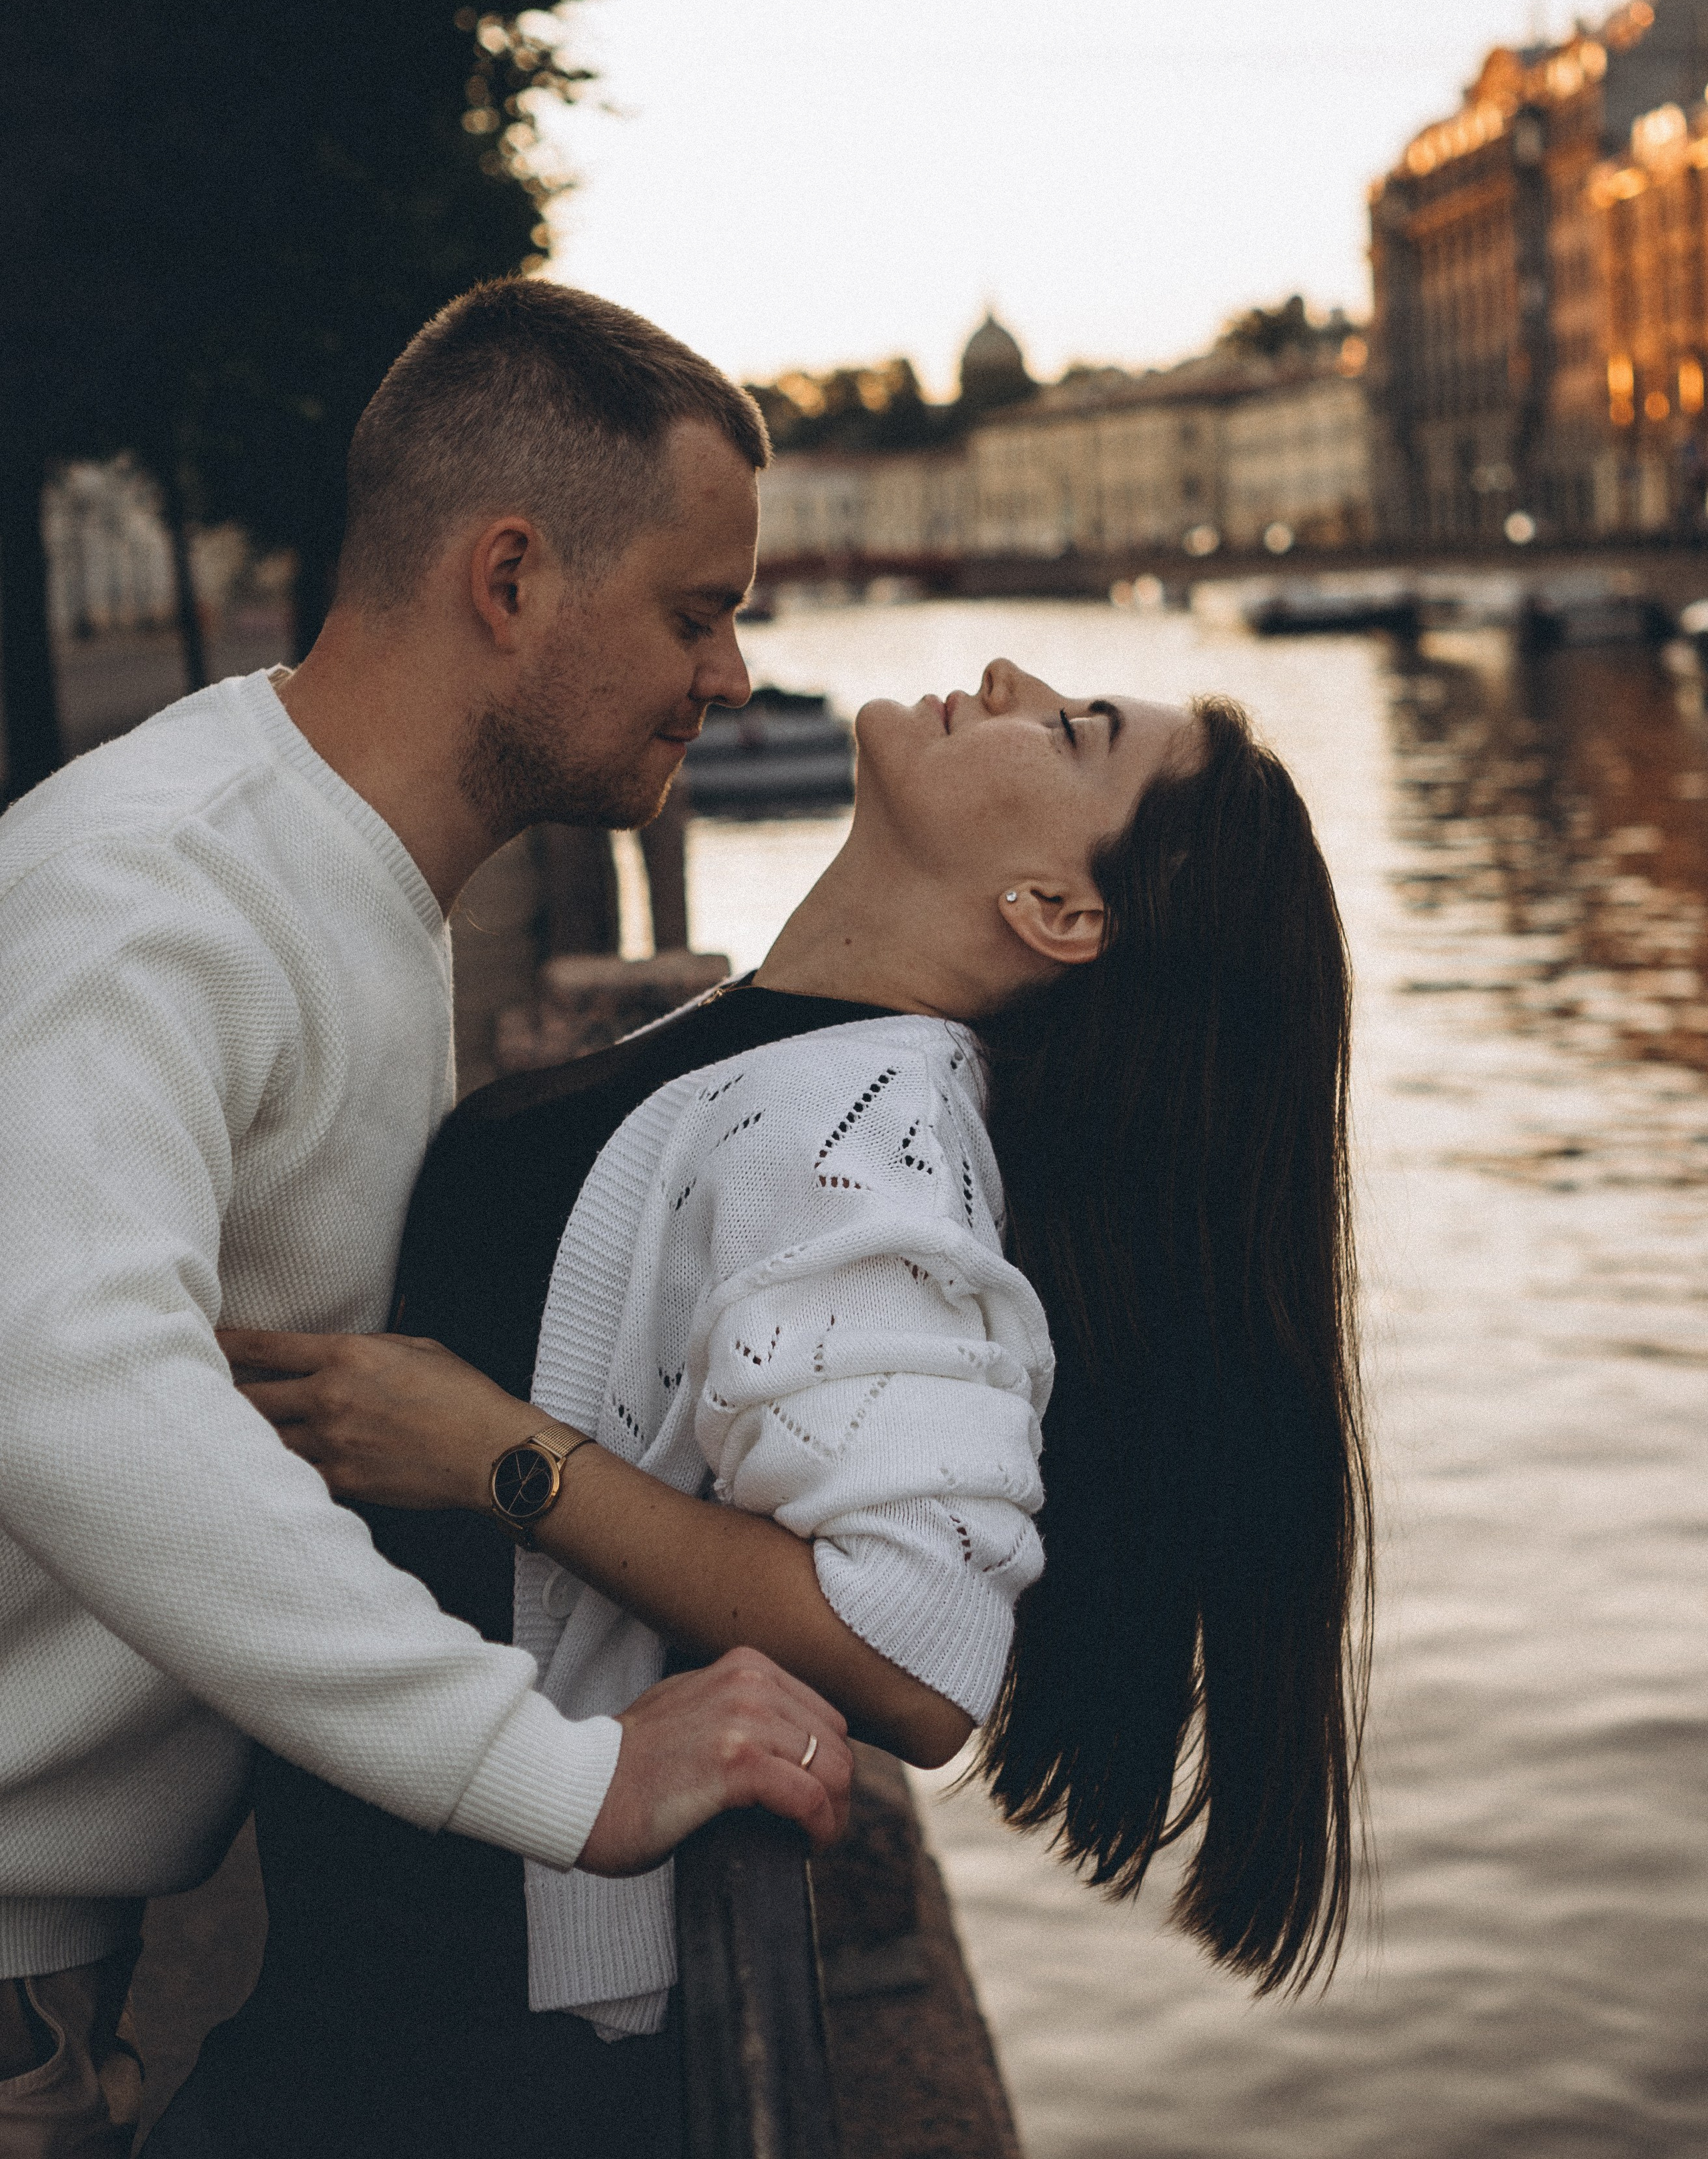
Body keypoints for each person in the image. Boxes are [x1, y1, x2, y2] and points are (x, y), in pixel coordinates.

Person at [193, 655, 1372, 2156]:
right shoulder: (803, 1057)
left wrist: (494, 1453)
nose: (1008, 677)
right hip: (395, 1963)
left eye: (1072, 730)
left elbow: (915, 1651)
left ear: (1057, 912)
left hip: (482, 2044)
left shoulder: (854, 1131)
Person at [0, 280, 857, 2159]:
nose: (730, 677)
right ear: (512, 579)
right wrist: (555, 1776)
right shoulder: (155, 889)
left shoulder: (346, 881)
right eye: (696, 613)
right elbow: (63, 1380)